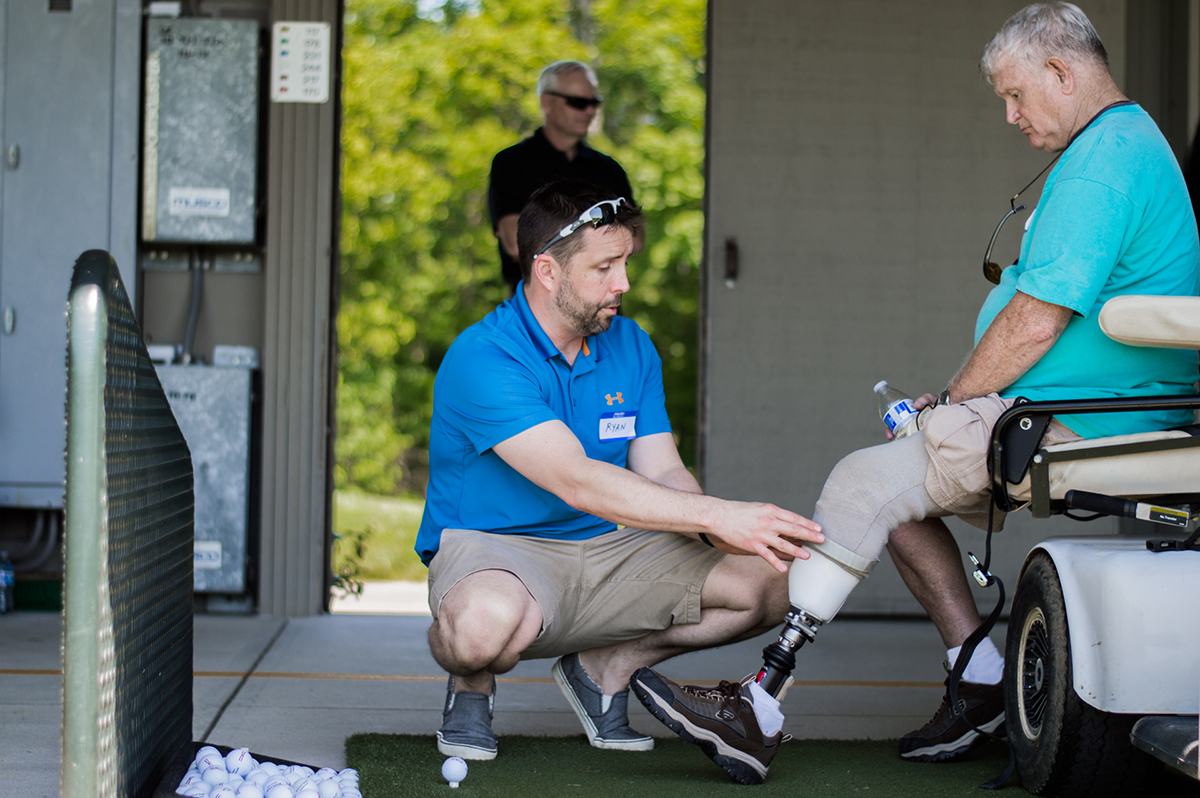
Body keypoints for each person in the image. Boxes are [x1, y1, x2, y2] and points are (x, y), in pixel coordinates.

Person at [631, 2, 1200, 785]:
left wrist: (949, 404)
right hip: (1077, 409)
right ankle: (978, 677)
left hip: (1084, 422)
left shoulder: (1105, 162)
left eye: (1015, 95)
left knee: (865, 483)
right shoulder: (1122, 145)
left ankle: (758, 702)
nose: (1010, 115)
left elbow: (1036, 321)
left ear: (1062, 74)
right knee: (899, 484)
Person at [417, 179, 824, 762]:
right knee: (482, 630)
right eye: (605, 267)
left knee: (777, 578)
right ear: (547, 273)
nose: (623, 284)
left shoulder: (631, 345)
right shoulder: (484, 357)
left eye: (626, 262)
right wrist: (719, 515)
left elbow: (663, 471)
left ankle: (605, 670)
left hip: (611, 548)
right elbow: (576, 479)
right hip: (499, 551)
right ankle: (471, 684)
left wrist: (726, 531)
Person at [488, 61, 642, 292]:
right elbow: (515, 243)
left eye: (594, 103)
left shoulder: (609, 169)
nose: (589, 111)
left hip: (603, 309)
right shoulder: (511, 163)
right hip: (537, 312)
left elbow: (635, 240)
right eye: (578, 103)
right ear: (547, 102)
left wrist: (546, 233)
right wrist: (603, 232)